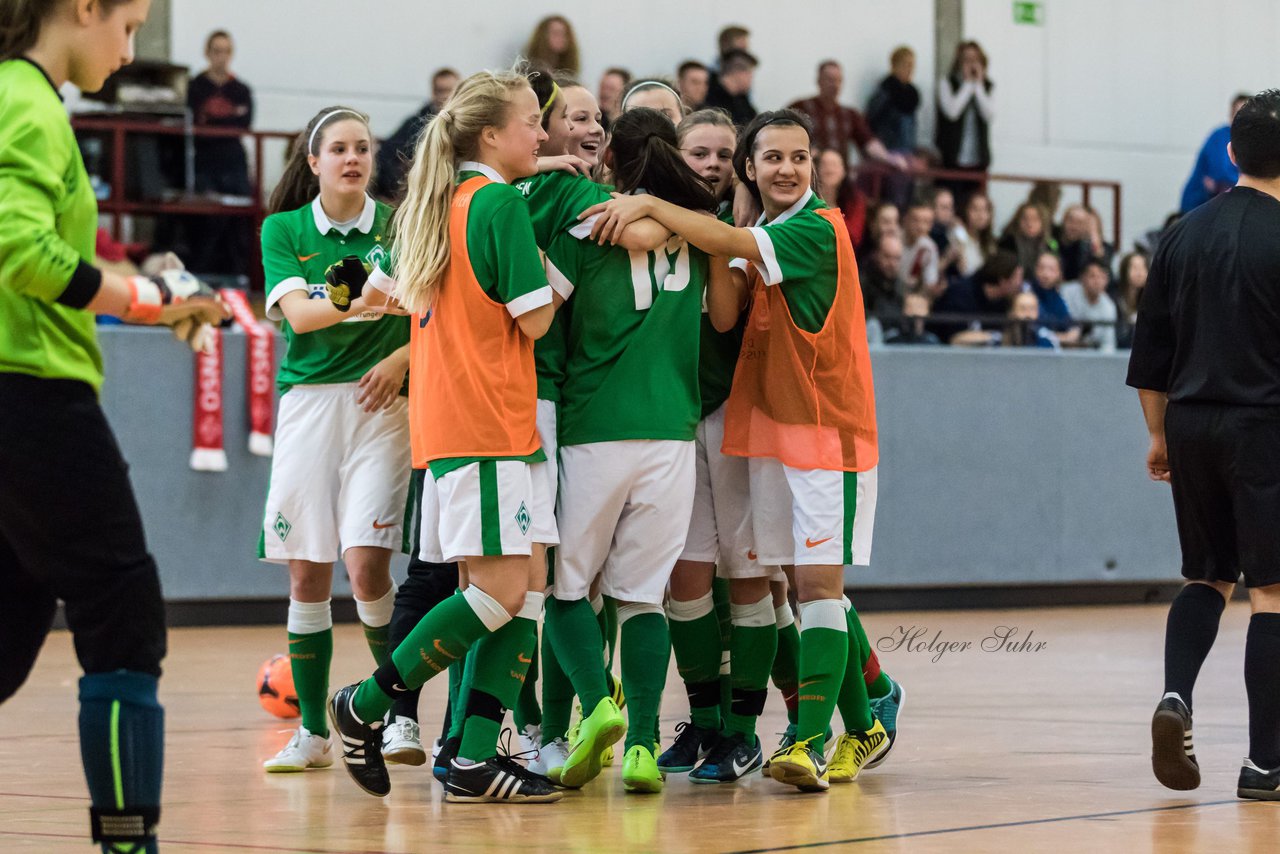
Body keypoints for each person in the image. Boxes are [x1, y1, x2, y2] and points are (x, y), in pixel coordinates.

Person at [581, 108, 902, 792]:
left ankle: (811, 737)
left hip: (824, 432)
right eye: (774, 158)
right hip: (769, 431)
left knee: (813, 588)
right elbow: (728, 273)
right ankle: (864, 720)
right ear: (752, 171)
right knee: (801, 585)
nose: (788, 168)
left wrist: (648, 202)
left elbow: (724, 257)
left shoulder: (815, 228)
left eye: (799, 156)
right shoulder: (763, 231)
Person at [0, 2, 227, 852]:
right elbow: (19, 251)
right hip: (31, 395)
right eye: (127, 26)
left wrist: (157, 290)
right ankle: (129, 843)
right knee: (123, 609)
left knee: (9, 636)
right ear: (81, 9)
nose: (131, 49)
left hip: (21, 392)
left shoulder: (22, 102)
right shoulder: (26, 99)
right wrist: (139, 298)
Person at [328, 68, 563, 805]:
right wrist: (554, 275)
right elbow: (536, 319)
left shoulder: (437, 203)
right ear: (490, 134)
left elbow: (368, 289)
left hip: (466, 424)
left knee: (523, 589)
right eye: (532, 121)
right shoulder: (495, 204)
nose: (543, 133)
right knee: (497, 594)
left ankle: (468, 757)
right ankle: (365, 705)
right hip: (486, 422)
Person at [538, 107, 735, 795]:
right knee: (642, 598)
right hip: (672, 436)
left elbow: (539, 319)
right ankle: (645, 746)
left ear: (612, 163)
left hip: (594, 428)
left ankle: (595, 706)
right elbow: (724, 313)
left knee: (565, 590)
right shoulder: (694, 236)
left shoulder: (588, 226)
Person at [1127, 89, 1280, 802]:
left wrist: (1159, 436)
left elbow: (1149, 355)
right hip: (1264, 428)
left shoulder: (1181, 235)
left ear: (1230, 152)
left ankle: (1176, 696)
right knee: (1273, 595)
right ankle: (1265, 765)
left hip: (1189, 423)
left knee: (1206, 578)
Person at [256, 106, 412, 777]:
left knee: (367, 564)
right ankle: (314, 733)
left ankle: (398, 713)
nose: (353, 158)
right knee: (305, 569)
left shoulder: (400, 227)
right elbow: (300, 317)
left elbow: (424, 313)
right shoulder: (285, 230)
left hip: (382, 404)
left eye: (363, 148)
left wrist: (400, 355)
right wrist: (372, 296)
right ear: (313, 160)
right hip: (310, 408)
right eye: (339, 148)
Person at [185, 30, 253, 279]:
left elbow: (245, 123)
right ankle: (200, 276)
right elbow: (195, 126)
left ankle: (238, 279)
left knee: (236, 224)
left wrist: (215, 124)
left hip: (233, 164)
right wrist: (227, 121)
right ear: (207, 53)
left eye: (226, 51)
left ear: (231, 54)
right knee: (205, 223)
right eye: (216, 51)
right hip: (205, 163)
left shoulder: (241, 89)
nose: (221, 57)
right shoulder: (195, 87)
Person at [789, 60, 909, 173]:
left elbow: (869, 143)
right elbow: (781, 138)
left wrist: (889, 158)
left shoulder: (849, 115)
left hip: (840, 177)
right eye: (829, 79)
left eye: (838, 80)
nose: (834, 85)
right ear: (819, 81)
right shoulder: (801, 108)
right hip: (808, 175)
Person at [373, 67, 458, 201]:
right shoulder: (416, 124)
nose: (446, 96)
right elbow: (387, 153)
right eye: (441, 90)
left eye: (451, 90)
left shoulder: (466, 124)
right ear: (433, 93)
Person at [935, 40, 994, 205]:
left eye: (975, 59)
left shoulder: (987, 86)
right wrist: (968, 85)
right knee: (951, 202)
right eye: (967, 59)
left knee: (974, 203)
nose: (971, 63)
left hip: (977, 159)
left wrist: (979, 87)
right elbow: (952, 112)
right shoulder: (947, 83)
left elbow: (989, 114)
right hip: (952, 158)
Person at [1180, 93, 1249, 213]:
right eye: (1238, 115)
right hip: (1198, 206)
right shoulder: (1220, 137)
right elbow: (1222, 174)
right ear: (1231, 116)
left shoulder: (1246, 139)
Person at [866, 46, 920, 155]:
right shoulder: (885, 92)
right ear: (894, 66)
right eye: (906, 65)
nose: (910, 69)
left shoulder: (912, 94)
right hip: (888, 152)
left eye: (912, 65)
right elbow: (871, 121)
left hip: (908, 150)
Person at [1061, 258, 1117, 352]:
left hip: (1092, 357)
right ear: (1082, 277)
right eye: (1093, 276)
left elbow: (1108, 344)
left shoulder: (1109, 307)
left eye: (1102, 277)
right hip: (1063, 351)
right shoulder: (1066, 293)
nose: (1097, 281)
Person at [817, 147, 867, 248]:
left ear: (844, 171)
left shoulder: (855, 199)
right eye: (824, 165)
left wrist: (831, 211)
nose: (829, 169)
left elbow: (854, 237)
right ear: (817, 170)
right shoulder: (809, 196)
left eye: (834, 165)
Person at [998, 201, 1055, 280]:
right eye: (1025, 219)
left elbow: (1056, 267)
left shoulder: (1052, 243)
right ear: (1018, 221)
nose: (1029, 224)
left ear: (1043, 222)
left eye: (1035, 219)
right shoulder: (1007, 242)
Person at [702, 48, 758, 126]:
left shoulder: (741, 99)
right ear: (739, 73)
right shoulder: (709, 98)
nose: (751, 79)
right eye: (750, 74)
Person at [1115, 251, 1149, 348]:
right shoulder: (1115, 299)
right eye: (1134, 268)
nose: (1139, 273)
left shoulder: (1150, 301)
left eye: (1143, 268)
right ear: (1124, 270)